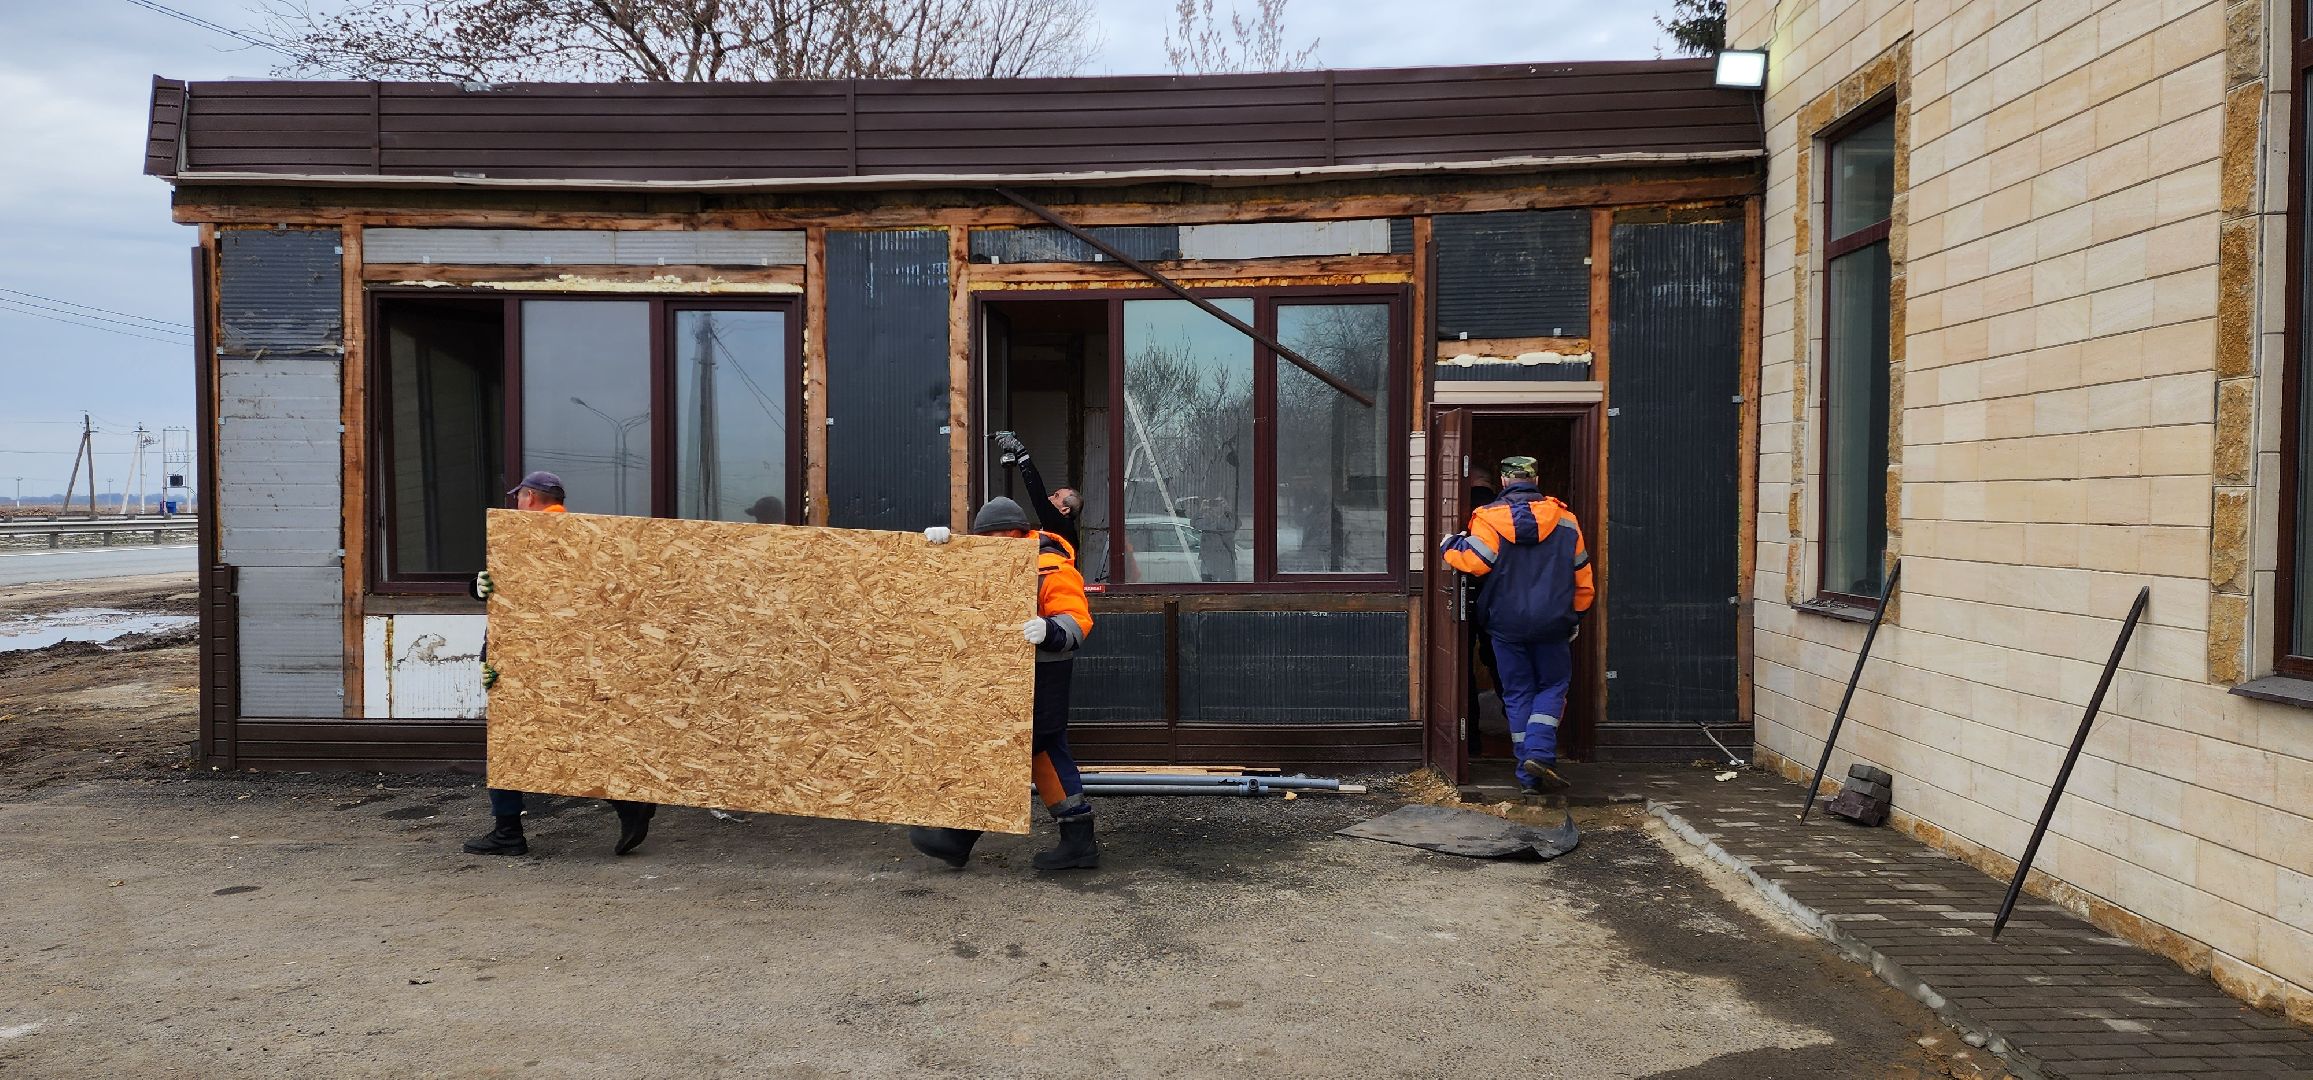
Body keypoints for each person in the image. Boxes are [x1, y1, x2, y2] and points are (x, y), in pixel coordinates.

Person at [464, 470, 659, 858]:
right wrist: (480, 585)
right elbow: (511, 595)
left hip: (530, 664)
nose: (515, 504)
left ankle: (509, 832)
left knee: (511, 746)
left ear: (530, 498)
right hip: (547, 660)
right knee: (563, 740)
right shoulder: (573, 535)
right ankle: (628, 803)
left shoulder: (536, 536)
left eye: (519, 498)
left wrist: (503, 656)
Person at [910, 496, 1099, 872]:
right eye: (985, 537)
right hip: (997, 677)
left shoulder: (1051, 566)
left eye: (998, 536)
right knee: (1039, 751)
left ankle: (960, 837)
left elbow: (1078, 621)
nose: (993, 543)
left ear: (1017, 532)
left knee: (1014, 748)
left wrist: (1050, 630)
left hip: (1043, 673)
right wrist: (936, 552)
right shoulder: (982, 560)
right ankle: (1078, 840)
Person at [1439, 455, 1593, 795]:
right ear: (1535, 479)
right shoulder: (1567, 522)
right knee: (1552, 687)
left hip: (1506, 625)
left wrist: (1448, 545)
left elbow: (1475, 562)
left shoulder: (1488, 519)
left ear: (1505, 481)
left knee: (1518, 692)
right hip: (1553, 624)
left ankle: (1529, 775)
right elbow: (1583, 580)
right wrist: (1576, 617)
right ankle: (1538, 757)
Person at [992, 431, 1080, 554]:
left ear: (1065, 510)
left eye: (1056, 496)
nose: (1050, 497)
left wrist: (1021, 453)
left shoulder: (1062, 525)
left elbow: (1038, 494)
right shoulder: (1060, 529)